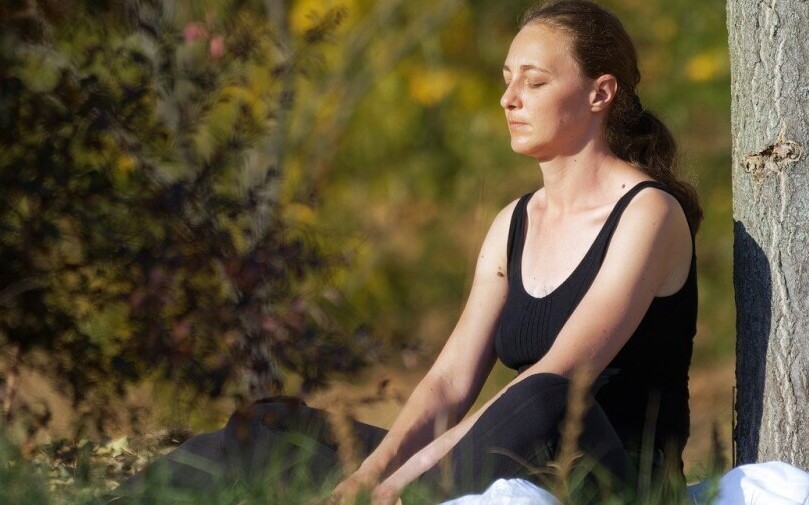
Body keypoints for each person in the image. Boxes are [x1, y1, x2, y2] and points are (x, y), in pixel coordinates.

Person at [116, 1, 702, 503]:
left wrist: (400, 485)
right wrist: (372, 475)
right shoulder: (514, 223)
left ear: (601, 93)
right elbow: (449, 383)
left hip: (612, 484)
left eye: (534, 81)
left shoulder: (648, 214)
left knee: (544, 393)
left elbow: (561, 375)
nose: (508, 99)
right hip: (495, 463)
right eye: (506, 78)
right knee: (269, 427)